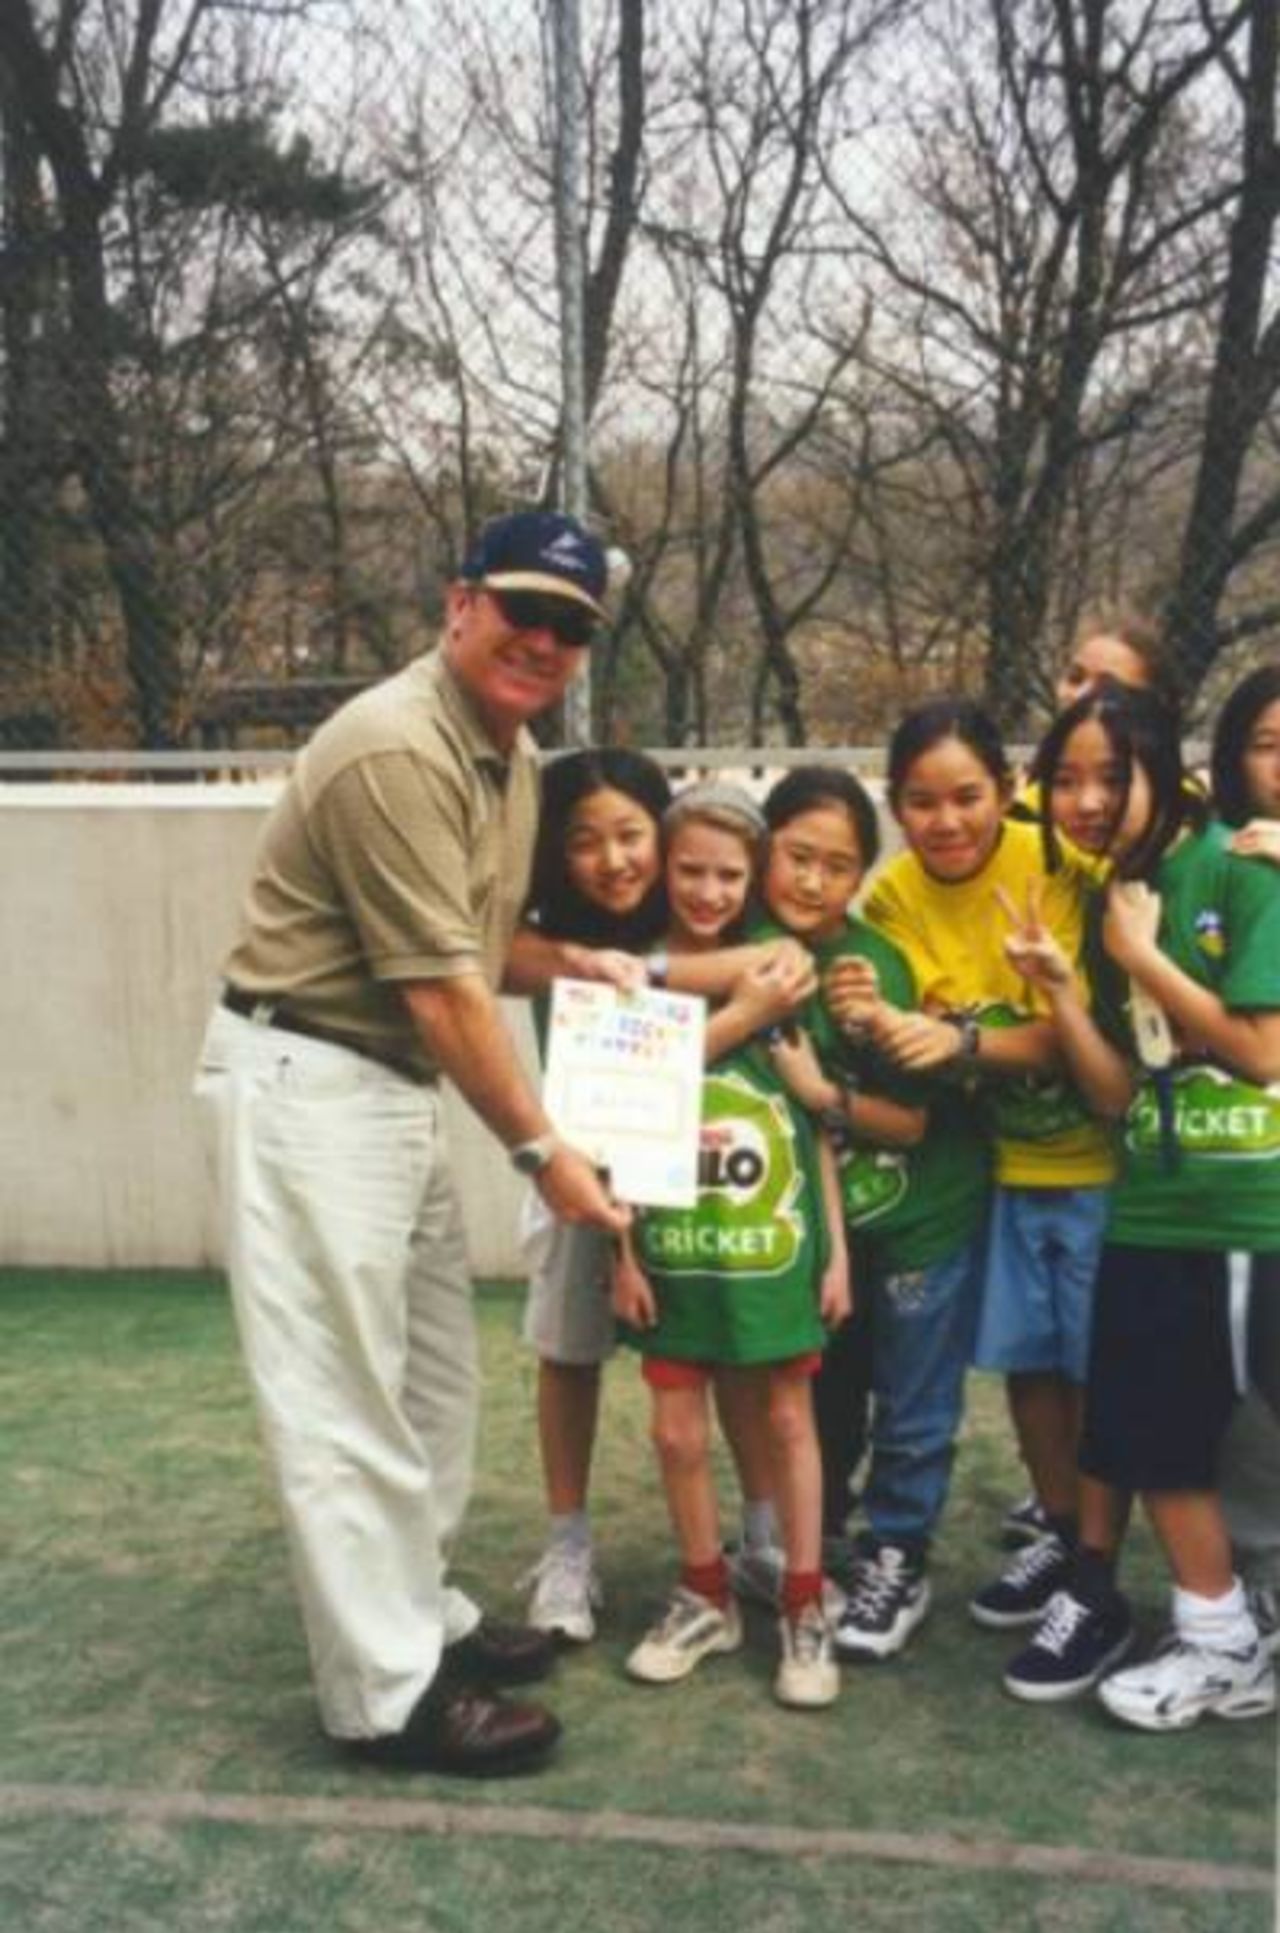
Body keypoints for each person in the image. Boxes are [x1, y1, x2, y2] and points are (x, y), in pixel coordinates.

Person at [194, 510, 631, 1777]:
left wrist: (583, 960)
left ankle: (420, 1615)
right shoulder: (395, 745)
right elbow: (443, 987)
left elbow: (479, 945)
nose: (541, 639)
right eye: (520, 610)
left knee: (432, 1377)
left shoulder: (515, 756)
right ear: (458, 606)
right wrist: (546, 1149)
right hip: (307, 1075)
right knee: (342, 1401)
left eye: (569, 625)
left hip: (384, 1085)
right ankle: (385, 1696)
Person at [996, 683, 1280, 1727]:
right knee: (1150, 1436)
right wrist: (1066, 989)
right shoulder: (1111, 891)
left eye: (1109, 775)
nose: (1083, 799)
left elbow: (1258, 1052)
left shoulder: (1241, 865)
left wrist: (1141, 959)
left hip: (1250, 1209)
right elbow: (1120, 1094)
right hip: (1155, 1210)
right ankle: (1218, 1642)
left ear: (1166, 768)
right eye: (1063, 778)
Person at [834, 699, 1110, 1647]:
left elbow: (1075, 1041)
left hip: (1096, 1161)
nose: (946, 821)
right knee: (1029, 1367)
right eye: (921, 801)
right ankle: (1060, 1530)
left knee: (1094, 1372)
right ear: (894, 804)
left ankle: (1096, 1566)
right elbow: (884, 1009)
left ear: (1006, 790)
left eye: (967, 797)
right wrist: (868, 1006)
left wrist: (957, 1035)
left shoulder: (1059, 865)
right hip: (994, 1166)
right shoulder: (890, 896)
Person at [516, 751, 791, 1640]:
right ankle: (566, 1548)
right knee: (569, 1349)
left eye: (632, 835)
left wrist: (656, 974)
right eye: (584, 841)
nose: (614, 859)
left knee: (732, 1351)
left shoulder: (688, 923)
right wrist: (589, 964)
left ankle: (761, 1533)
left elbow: (781, 958)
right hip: (577, 1168)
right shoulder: (543, 939)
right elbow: (498, 957)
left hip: (700, 1182)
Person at [612, 783, 850, 1709]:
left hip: (770, 1249)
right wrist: (621, 1255)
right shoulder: (631, 979)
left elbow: (814, 1121)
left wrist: (834, 1251)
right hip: (672, 1250)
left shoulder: (787, 977)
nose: (708, 890)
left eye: (727, 874)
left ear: (752, 880)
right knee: (674, 1428)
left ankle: (801, 1599)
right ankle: (706, 1592)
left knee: (790, 1419)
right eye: (690, 870)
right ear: (663, 870)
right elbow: (619, 1133)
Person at [761, 767, 990, 1661]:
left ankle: (899, 1553)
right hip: (825, 1238)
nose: (813, 881)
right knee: (824, 1397)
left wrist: (829, 1081)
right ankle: (822, 1543)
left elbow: (913, 1119)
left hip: (918, 1222)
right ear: (764, 850)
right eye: (797, 857)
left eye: (838, 866)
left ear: (861, 879)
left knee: (914, 1403)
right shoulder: (742, 946)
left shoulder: (872, 965)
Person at [1209, 663, 1280, 1654]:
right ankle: (1256, 1565)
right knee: (1246, 1371)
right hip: (1240, 1171)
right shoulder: (1217, 865)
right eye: (1267, 743)